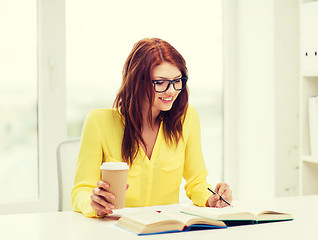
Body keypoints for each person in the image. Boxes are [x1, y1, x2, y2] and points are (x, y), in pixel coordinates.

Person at [71, 38, 232, 217]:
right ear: (137, 81)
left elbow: (196, 181)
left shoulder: (187, 118)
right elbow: (81, 190)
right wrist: (93, 203)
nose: (171, 91)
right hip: (116, 228)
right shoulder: (99, 122)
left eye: (177, 81)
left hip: (166, 229)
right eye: (160, 82)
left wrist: (212, 198)